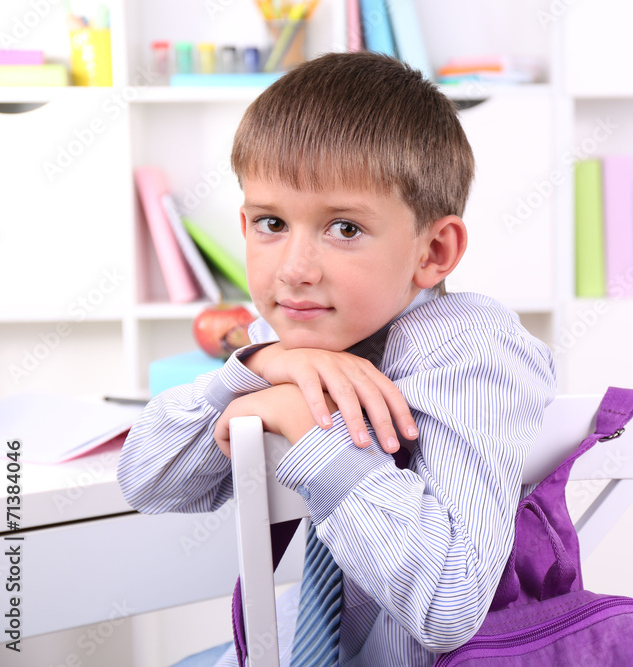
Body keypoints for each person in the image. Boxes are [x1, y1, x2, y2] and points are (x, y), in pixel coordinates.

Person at [117, 51, 556, 667]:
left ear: (433, 250)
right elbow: (148, 481)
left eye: (344, 229)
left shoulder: (469, 352)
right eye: (271, 222)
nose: (295, 269)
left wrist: (307, 422)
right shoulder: (296, 340)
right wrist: (258, 369)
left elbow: (450, 603)